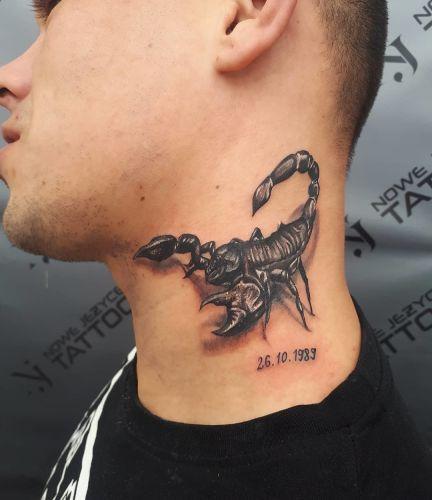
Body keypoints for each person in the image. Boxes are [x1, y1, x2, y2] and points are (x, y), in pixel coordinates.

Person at [0, 0, 431, 498]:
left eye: (56, 9)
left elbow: (276, 277)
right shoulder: (164, 374)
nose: (8, 77)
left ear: (243, 15)